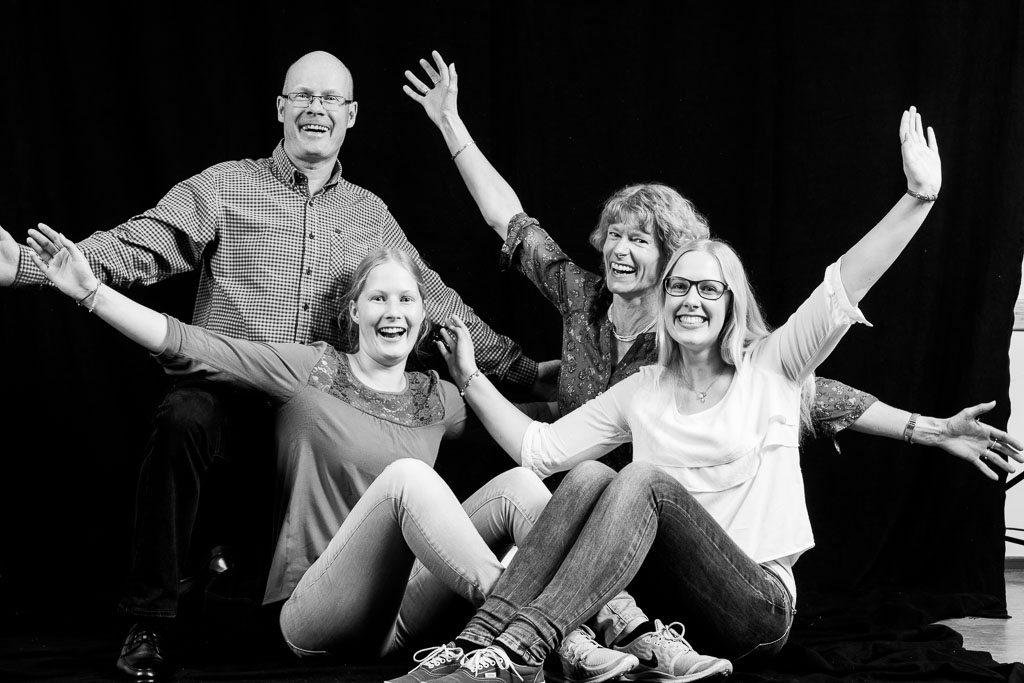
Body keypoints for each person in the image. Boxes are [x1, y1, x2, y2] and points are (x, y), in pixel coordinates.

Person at [399, 54, 1020, 682]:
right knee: (585, 476)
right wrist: (470, 378)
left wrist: (918, 199)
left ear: (731, 305)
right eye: (681, 287)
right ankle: (480, 649)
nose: (691, 299)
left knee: (640, 479)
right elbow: (539, 450)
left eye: (708, 289)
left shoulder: (772, 367)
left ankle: (518, 650)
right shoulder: (641, 385)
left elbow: (841, 293)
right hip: (663, 603)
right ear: (665, 297)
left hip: (754, 608)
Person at [0, 51, 551, 682]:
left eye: (330, 99)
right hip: (230, 391)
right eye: (303, 96)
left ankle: (526, 620)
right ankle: (149, 618)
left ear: (351, 116)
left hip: (316, 406)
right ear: (281, 108)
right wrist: (30, 268)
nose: (316, 109)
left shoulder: (369, 215)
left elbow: (435, 303)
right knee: (183, 418)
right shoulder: (227, 185)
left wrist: (527, 373)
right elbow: (142, 242)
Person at [22, 232, 554, 671]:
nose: (393, 312)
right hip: (313, 611)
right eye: (378, 298)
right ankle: (524, 620)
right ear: (353, 311)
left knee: (522, 486)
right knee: (408, 478)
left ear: (422, 314)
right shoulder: (311, 371)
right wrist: (92, 293)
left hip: (404, 614)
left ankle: (580, 630)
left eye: (406, 299)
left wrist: (594, 382)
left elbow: (539, 430)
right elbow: (191, 344)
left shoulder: (435, 397)